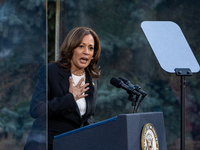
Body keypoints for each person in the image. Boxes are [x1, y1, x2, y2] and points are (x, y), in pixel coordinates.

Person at [24, 27, 101, 150]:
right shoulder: (51, 71)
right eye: (81, 46)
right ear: (71, 48)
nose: (86, 51)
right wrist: (70, 98)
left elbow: (86, 116)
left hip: (76, 145)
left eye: (91, 48)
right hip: (49, 144)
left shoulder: (92, 79)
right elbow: (36, 109)